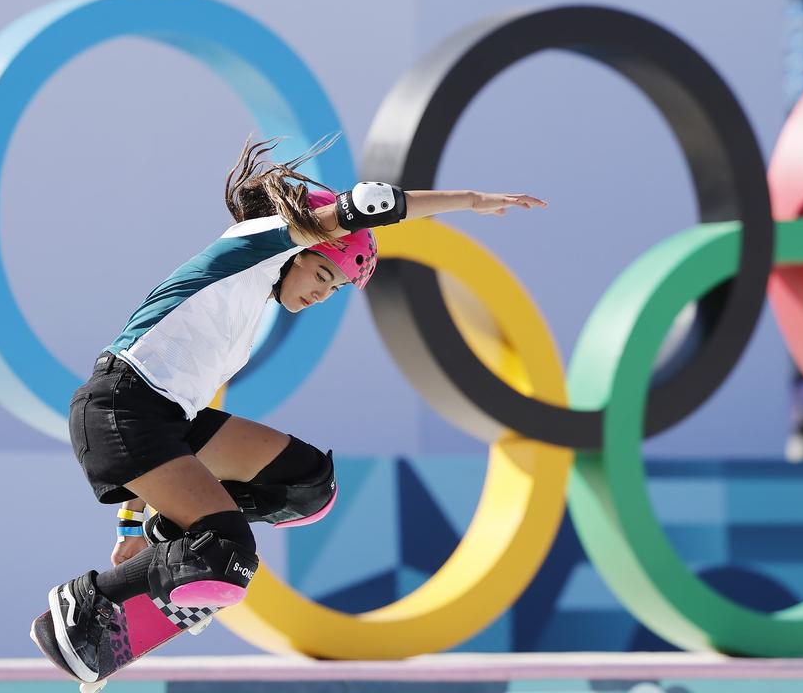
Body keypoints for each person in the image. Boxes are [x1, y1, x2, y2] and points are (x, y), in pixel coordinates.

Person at [30, 135, 546, 682]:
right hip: (122, 405)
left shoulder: (244, 315)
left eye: (336, 288)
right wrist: (469, 200)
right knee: (229, 558)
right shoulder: (257, 243)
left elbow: (161, 454)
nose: (322, 295)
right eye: (322, 275)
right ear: (298, 249)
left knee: (308, 485)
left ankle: (178, 548)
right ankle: (84, 613)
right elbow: (371, 205)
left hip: (162, 421)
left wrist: (132, 530)